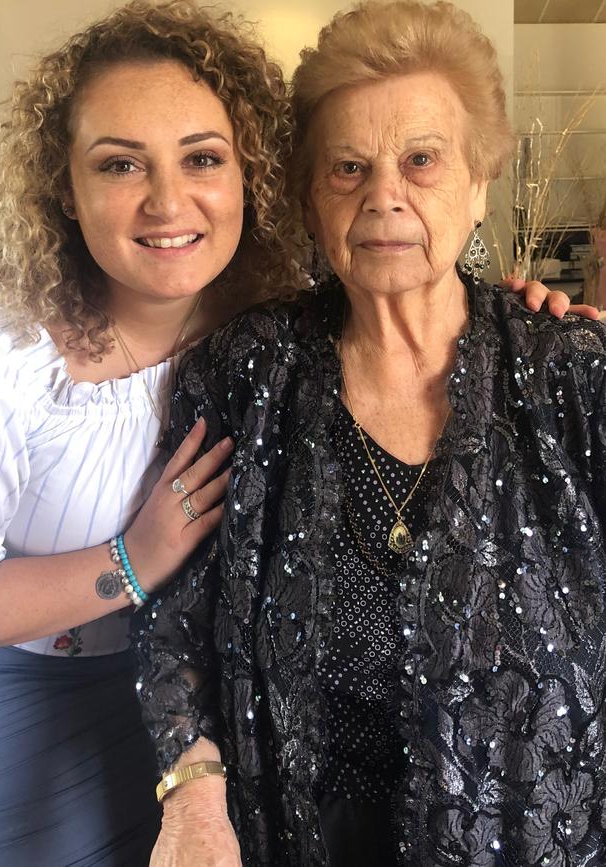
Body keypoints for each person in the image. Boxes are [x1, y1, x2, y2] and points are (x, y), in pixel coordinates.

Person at [135, 2, 606, 866]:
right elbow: (175, 612)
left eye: (421, 160)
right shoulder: (247, 370)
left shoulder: (569, 372)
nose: (383, 194)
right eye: (348, 167)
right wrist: (192, 788)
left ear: (477, 187)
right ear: (314, 203)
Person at [0, 2, 296, 865]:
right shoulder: (4, 338)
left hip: (210, 718)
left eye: (203, 158)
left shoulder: (273, 316)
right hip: (26, 714)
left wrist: (528, 327)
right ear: (64, 190)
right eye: (120, 165)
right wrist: (133, 562)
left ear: (248, 173)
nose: (168, 202)